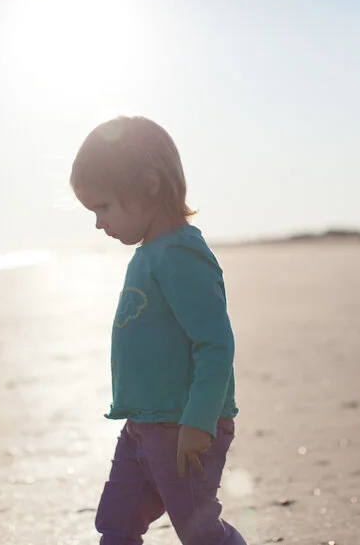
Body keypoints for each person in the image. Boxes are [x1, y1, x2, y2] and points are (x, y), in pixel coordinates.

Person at [70, 116, 246, 545]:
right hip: (143, 425)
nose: (98, 223)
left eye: (103, 207)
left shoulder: (181, 255)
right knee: (116, 523)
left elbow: (215, 344)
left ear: (148, 186)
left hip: (182, 427)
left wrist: (199, 422)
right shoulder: (151, 252)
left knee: (200, 533)